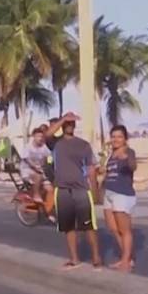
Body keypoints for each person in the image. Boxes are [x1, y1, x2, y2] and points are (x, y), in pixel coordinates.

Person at [45, 113, 102, 269]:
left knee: (88, 225)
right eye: (67, 123)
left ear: (75, 126)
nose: (69, 125)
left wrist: (95, 190)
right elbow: (47, 134)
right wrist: (63, 119)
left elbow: (91, 169)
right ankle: (74, 258)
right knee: (68, 226)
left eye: (71, 123)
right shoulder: (56, 143)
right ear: (62, 125)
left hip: (81, 189)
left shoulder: (83, 145)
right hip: (62, 189)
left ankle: (96, 257)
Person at [102, 126, 137, 272]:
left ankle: (126, 261)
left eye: (119, 136)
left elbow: (133, 166)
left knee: (125, 230)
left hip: (122, 194)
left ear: (125, 139)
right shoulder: (111, 154)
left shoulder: (128, 152)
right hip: (109, 193)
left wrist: (126, 159)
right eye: (113, 136)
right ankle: (127, 257)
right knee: (113, 228)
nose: (116, 139)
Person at [20, 127, 55, 222]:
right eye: (38, 136)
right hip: (27, 171)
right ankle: (36, 195)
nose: (40, 138)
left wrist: (50, 163)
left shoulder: (44, 147)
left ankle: (48, 212)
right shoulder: (28, 147)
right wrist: (35, 167)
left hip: (40, 171)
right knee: (37, 174)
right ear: (33, 137)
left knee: (50, 189)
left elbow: (49, 157)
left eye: (41, 136)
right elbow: (26, 160)